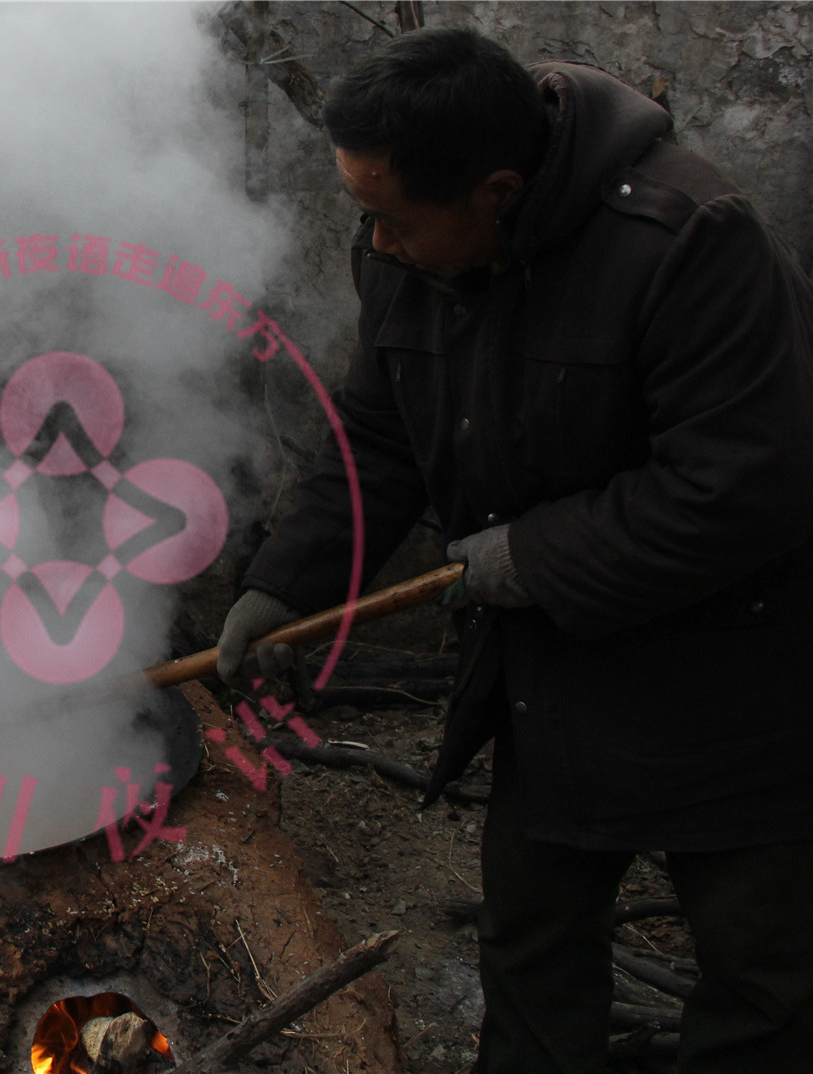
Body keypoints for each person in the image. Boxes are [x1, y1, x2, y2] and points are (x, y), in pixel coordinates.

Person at [215, 26, 813, 1074]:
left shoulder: (687, 242)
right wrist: (282, 583)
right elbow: (379, 436)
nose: (374, 243)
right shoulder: (404, 251)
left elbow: (744, 485)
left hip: (736, 676)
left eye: (392, 219)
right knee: (534, 951)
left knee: (761, 976)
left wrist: (532, 558)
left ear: (496, 191)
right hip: (556, 677)